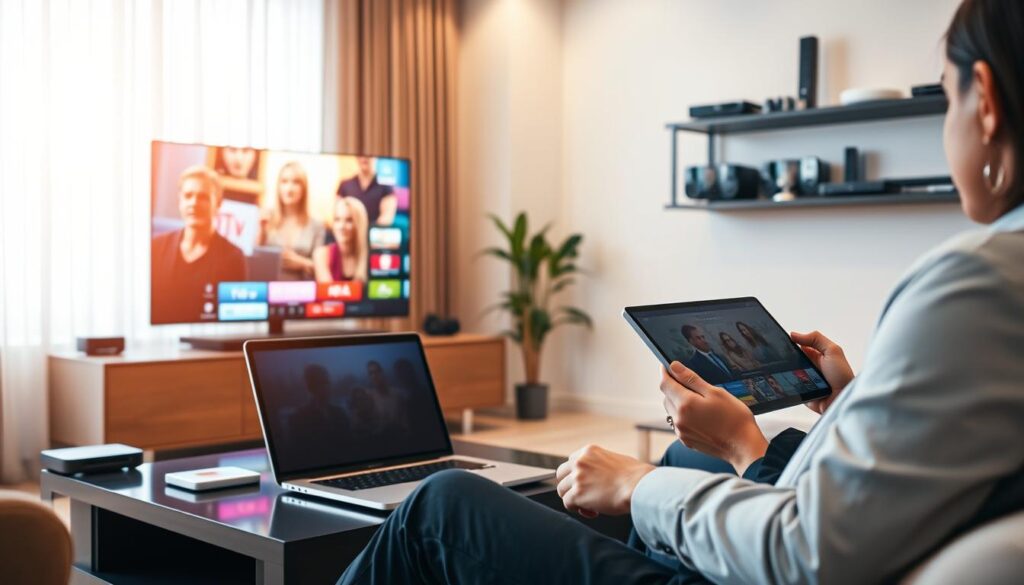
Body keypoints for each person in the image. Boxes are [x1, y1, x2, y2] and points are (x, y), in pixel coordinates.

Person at [337, 1, 1024, 583]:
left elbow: (811, 550)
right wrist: (847, 399)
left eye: (947, 93)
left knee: (443, 502)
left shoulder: (978, 280)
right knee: (685, 453)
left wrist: (648, 482)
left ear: (985, 101)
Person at [151, 165, 246, 323]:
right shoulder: (156, 247)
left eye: (203, 197)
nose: (194, 203)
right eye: (188, 196)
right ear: (179, 200)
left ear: (218, 204)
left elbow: (233, 322)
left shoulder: (233, 258)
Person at [259, 162, 325, 280]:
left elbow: (322, 270)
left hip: (303, 292)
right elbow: (252, 259)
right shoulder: (265, 219)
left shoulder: (316, 226)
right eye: (284, 182)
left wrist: (301, 263)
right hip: (269, 291)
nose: (289, 189)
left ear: (304, 188)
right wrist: (259, 228)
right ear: (278, 186)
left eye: (296, 182)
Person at [313, 197, 369, 283]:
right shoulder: (321, 254)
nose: (341, 226)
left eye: (349, 220)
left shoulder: (369, 256)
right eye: (337, 220)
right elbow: (328, 292)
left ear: (359, 224)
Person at [336, 156, 397, 226]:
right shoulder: (344, 185)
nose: (364, 158)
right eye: (360, 155)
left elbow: (387, 218)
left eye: (369, 155)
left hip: (374, 234)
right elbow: (337, 215)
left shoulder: (386, 186)